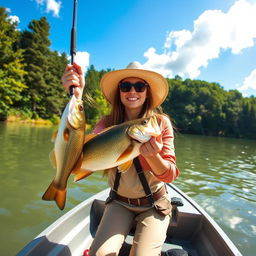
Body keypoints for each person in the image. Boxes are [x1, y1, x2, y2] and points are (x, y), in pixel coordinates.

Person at [62, 61, 179, 256]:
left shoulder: (159, 122)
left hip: (154, 204)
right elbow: (78, 148)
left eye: (139, 86)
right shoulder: (106, 124)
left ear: (147, 92)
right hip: (119, 202)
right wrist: (76, 97)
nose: (132, 91)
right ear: (119, 92)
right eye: (126, 86)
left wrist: (153, 156)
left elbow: (169, 175)